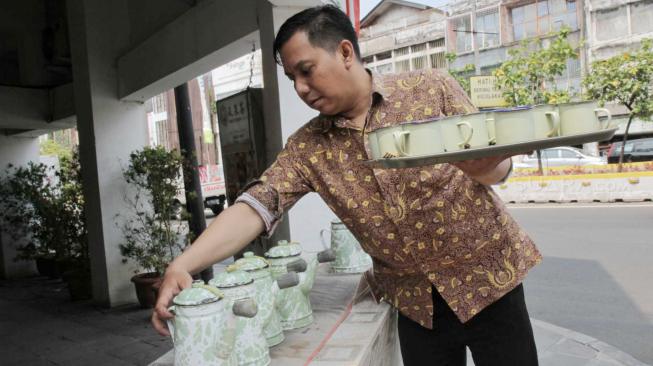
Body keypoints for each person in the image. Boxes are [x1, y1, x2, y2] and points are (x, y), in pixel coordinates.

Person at [152, 5, 541, 366]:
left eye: (306, 70)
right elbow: (257, 204)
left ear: (344, 52)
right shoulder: (308, 148)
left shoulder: (431, 89)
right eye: (292, 79)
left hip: (491, 282)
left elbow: (496, 164)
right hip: (416, 306)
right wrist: (183, 264)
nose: (301, 88)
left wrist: (485, 169)